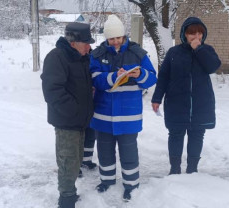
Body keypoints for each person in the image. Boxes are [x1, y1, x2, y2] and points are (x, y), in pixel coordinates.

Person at [90, 15, 157, 201]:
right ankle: (107, 181)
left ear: (124, 35)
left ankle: (131, 184)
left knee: (129, 153)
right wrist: (112, 78)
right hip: (103, 115)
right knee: (104, 152)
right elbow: (93, 77)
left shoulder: (138, 53)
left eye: (118, 37)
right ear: (106, 38)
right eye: (111, 38)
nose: (116, 41)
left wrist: (140, 73)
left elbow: (152, 77)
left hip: (129, 115)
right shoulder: (98, 54)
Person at [151, 17, 221, 175]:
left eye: (199, 33)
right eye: (192, 33)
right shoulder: (174, 52)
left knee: (197, 135)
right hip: (177, 103)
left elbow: (213, 67)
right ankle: (174, 169)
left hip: (200, 103)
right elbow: (163, 77)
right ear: (184, 34)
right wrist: (156, 98)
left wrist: (199, 49)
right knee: (175, 135)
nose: (196, 36)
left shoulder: (207, 50)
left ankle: (192, 169)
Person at [40, 22, 95, 208]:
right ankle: (66, 198)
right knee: (67, 160)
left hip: (80, 120)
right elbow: (52, 90)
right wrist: (74, 110)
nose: (89, 47)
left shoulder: (82, 57)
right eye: (86, 43)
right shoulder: (57, 57)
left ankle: (70, 192)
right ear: (73, 42)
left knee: (76, 159)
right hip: (67, 120)